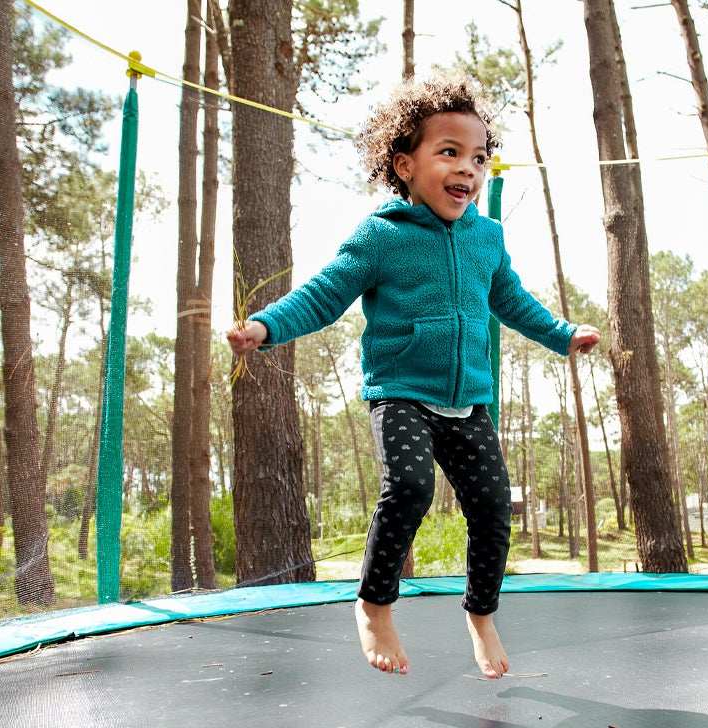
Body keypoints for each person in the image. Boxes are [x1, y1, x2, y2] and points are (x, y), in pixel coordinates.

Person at [227, 74, 601, 679]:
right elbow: (325, 294)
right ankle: (375, 603)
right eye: (449, 152)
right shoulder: (381, 237)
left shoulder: (487, 238)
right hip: (401, 391)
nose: (468, 169)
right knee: (409, 487)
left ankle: (481, 615)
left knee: (492, 509)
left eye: (478, 157)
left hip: (469, 399)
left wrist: (562, 334)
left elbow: (511, 299)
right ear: (404, 164)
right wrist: (265, 328)